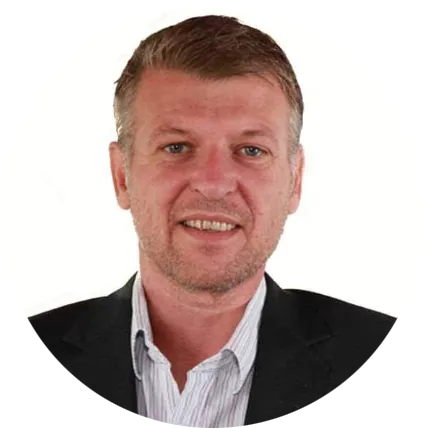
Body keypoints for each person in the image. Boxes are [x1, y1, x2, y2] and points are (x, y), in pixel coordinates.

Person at [25, 15, 422, 426]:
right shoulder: (18, 366)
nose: (214, 184)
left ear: (295, 180)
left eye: (251, 150)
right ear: (121, 176)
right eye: (177, 147)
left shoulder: (405, 377)